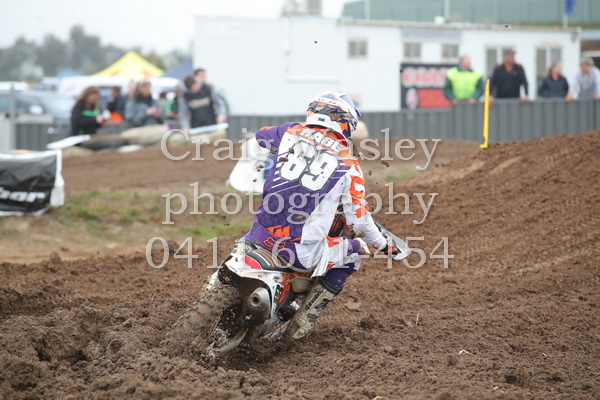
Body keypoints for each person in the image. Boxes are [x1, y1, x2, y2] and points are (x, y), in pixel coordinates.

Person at [243, 90, 403, 340]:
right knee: (355, 252)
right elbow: (359, 222)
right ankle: (303, 320)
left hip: (258, 237)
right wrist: (383, 244)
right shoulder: (348, 164)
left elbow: (261, 136)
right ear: (345, 122)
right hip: (299, 251)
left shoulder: (289, 132)